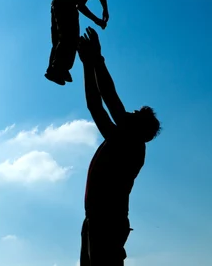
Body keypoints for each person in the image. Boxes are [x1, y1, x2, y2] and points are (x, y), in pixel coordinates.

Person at [77, 27, 161, 265]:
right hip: (95, 222)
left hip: (107, 223)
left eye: (135, 113)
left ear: (140, 128)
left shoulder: (132, 146)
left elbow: (109, 98)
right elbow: (95, 105)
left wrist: (97, 59)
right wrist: (87, 63)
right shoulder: (119, 140)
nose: (129, 112)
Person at [45, 0, 130, 85]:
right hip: (66, 5)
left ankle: (56, 68)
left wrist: (105, 8)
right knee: (70, 37)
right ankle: (59, 68)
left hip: (58, 2)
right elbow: (81, 6)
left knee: (60, 39)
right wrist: (97, 20)